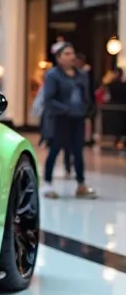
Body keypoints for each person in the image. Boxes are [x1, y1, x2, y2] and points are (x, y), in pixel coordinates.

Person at [41, 41, 96, 199]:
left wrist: (87, 109)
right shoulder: (53, 75)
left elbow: (86, 95)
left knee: (78, 151)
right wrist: (65, 109)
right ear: (58, 58)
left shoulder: (81, 75)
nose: (71, 57)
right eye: (66, 54)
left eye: (72, 53)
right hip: (60, 119)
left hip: (77, 118)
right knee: (55, 150)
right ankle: (48, 183)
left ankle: (81, 184)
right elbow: (49, 99)